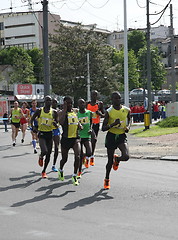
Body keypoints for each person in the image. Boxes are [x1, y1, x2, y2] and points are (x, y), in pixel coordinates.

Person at [102, 91, 131, 189]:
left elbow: (129, 120)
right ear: (112, 100)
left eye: (119, 98)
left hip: (121, 136)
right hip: (111, 136)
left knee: (126, 156)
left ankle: (117, 159)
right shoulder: (109, 111)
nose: (118, 100)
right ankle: (106, 179)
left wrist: (128, 127)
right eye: (115, 98)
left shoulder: (126, 110)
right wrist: (113, 124)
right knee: (109, 161)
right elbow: (103, 128)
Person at [31, 95, 58, 179]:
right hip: (42, 133)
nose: (49, 102)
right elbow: (32, 119)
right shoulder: (39, 111)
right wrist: (33, 127)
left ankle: (44, 171)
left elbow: (57, 124)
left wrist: (55, 124)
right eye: (47, 101)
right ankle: (41, 156)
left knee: (49, 154)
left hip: (50, 134)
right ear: (44, 102)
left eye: (50, 101)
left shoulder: (54, 112)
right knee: (45, 151)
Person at [58, 96, 82, 186]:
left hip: (75, 138)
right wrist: (64, 110)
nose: (69, 104)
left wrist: (79, 125)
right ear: (64, 103)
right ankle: (60, 170)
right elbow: (61, 122)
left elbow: (76, 120)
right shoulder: (61, 112)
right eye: (67, 103)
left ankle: (75, 175)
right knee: (64, 159)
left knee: (78, 156)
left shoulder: (74, 111)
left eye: (71, 103)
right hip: (65, 139)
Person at [87, 90, 105, 166]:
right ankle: (87, 156)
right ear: (90, 95)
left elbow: (104, 115)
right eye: (93, 95)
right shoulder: (87, 104)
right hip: (87, 125)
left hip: (96, 124)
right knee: (89, 140)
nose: (94, 96)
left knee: (94, 141)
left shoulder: (100, 104)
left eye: (95, 95)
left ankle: (91, 156)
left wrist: (99, 113)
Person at [77, 98, 92, 178]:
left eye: (83, 103)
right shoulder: (77, 114)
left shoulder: (89, 113)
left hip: (87, 135)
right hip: (79, 136)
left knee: (89, 152)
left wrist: (90, 129)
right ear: (78, 105)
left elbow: (91, 122)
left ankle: (85, 156)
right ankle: (79, 171)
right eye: (80, 103)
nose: (82, 104)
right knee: (79, 155)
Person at [51, 98, 61, 172]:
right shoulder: (47, 110)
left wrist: (57, 124)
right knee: (48, 149)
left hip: (56, 131)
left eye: (56, 102)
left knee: (56, 148)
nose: (54, 103)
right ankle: (42, 157)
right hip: (48, 130)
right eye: (53, 102)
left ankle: (54, 165)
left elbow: (59, 121)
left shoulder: (58, 111)